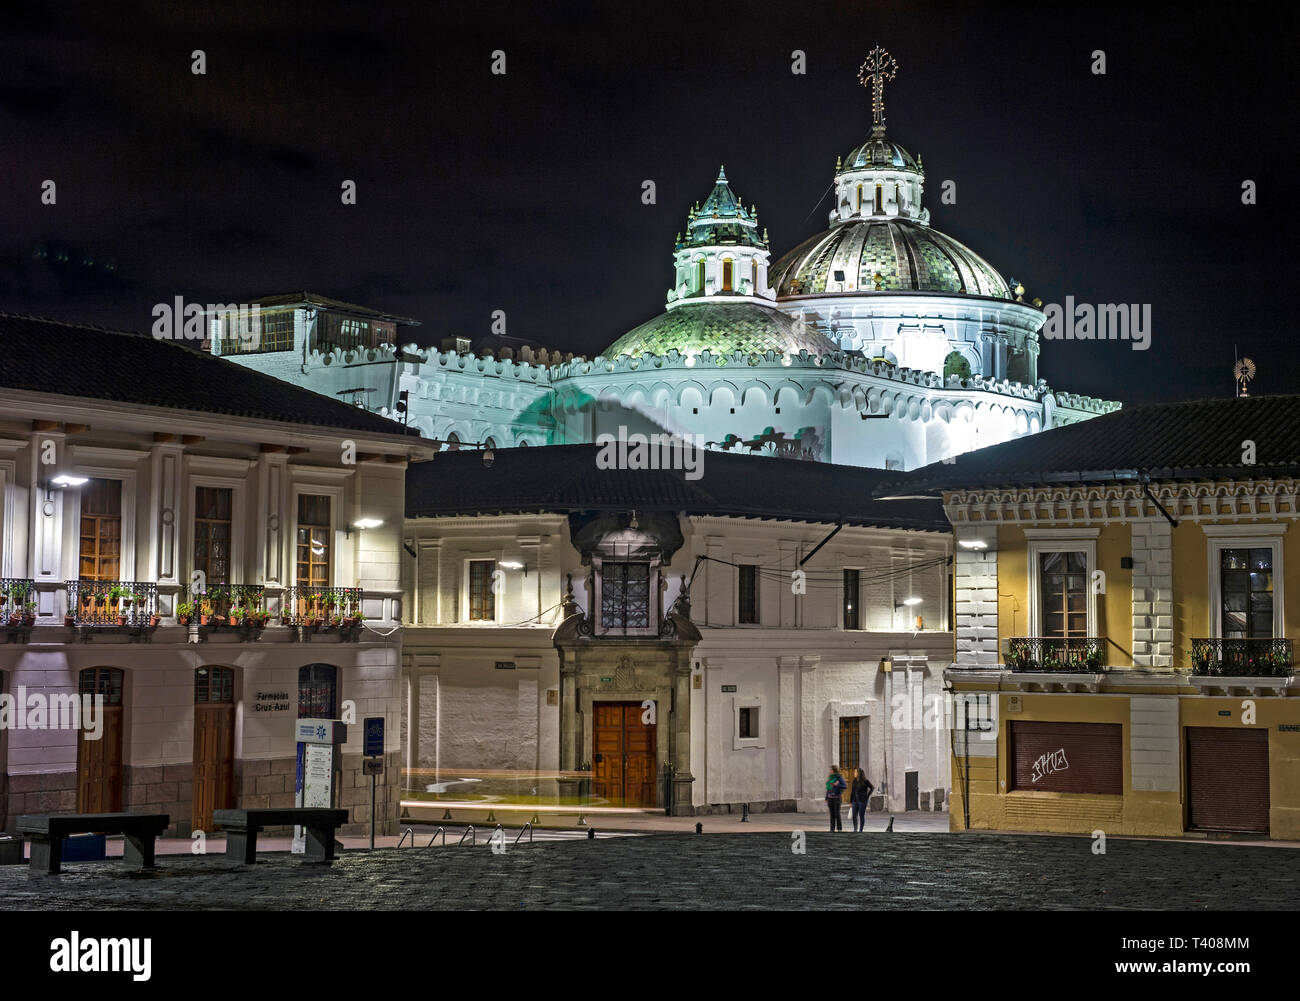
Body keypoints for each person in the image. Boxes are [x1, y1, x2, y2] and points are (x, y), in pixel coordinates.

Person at [850, 768, 875, 832]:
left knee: (861, 815)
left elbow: (872, 787)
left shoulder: (865, 781)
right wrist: (851, 801)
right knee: (854, 816)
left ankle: (860, 830)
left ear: (859, 773)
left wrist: (867, 796)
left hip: (862, 801)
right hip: (855, 801)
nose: (854, 773)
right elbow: (852, 792)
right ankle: (855, 829)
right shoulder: (854, 781)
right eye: (854, 772)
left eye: (855, 772)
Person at [825, 765, 847, 831]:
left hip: (837, 798)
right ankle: (832, 828)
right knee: (832, 814)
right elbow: (828, 789)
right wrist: (826, 797)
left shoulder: (839, 777)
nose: (830, 771)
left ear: (834, 770)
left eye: (831, 770)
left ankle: (839, 828)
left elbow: (844, 786)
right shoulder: (830, 778)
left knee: (837, 813)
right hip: (830, 798)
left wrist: (837, 785)